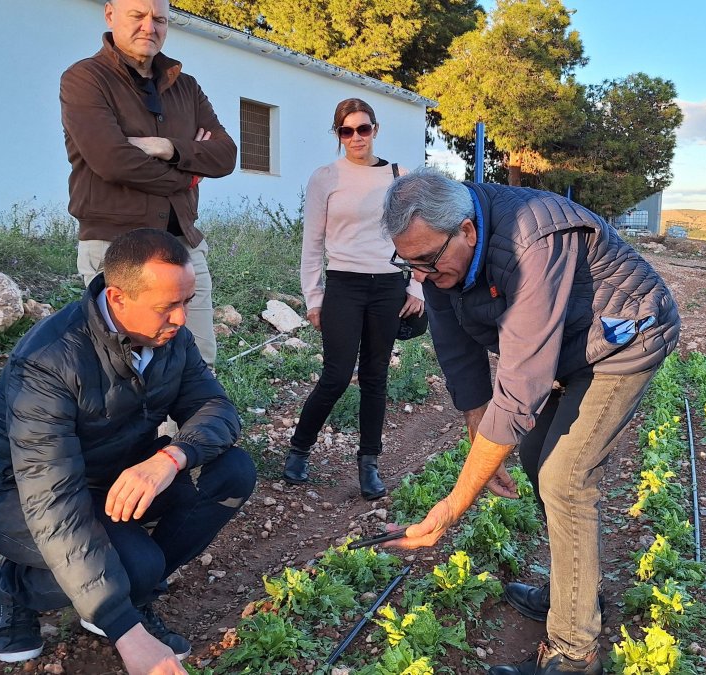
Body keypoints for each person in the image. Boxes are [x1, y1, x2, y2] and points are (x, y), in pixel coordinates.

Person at [380, 170, 680, 675]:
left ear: (467, 231)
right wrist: (478, 436)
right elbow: (458, 353)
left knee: (565, 479)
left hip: (623, 338)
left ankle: (574, 653)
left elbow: (522, 386)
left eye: (427, 261)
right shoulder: (438, 261)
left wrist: (453, 506)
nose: (422, 276)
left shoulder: (530, 242)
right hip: (570, 345)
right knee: (536, 459)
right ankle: (574, 595)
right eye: (408, 264)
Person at [0, 229, 256, 675]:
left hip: (105, 477)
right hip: (13, 493)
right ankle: (15, 584)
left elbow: (216, 409)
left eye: (187, 301)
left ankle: (128, 589)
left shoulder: (170, 337)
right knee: (135, 565)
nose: (180, 318)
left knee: (231, 471)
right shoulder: (50, 360)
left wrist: (169, 459)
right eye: (167, 306)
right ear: (118, 298)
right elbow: (53, 501)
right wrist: (127, 634)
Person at [61, 0, 239, 367]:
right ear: (110, 15)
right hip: (116, 249)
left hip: (182, 247)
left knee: (197, 363)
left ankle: (187, 411)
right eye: (137, 15)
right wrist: (190, 173)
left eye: (159, 19)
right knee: (124, 366)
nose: (149, 26)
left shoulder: (186, 87)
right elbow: (112, 161)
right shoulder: (85, 79)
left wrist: (168, 147)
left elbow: (225, 155)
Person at [283, 98, 425, 500]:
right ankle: (299, 449)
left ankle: (369, 464)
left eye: (363, 129)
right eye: (347, 131)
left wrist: (417, 286)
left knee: (376, 378)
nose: (356, 137)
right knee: (336, 374)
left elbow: (418, 234)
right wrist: (314, 297)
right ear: (338, 135)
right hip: (344, 285)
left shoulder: (400, 177)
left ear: (375, 129)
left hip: (388, 286)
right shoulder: (325, 177)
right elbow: (312, 243)